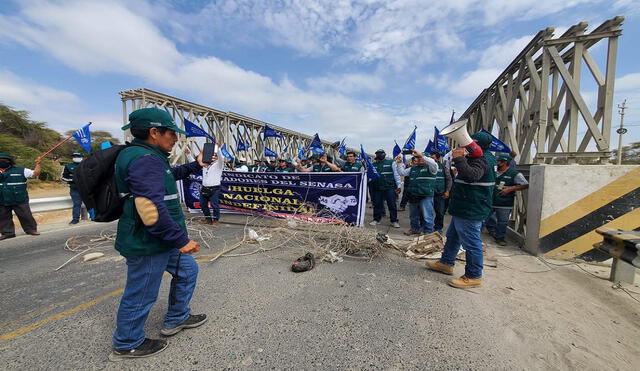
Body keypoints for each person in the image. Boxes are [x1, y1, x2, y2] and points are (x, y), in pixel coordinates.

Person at [110, 108, 207, 361]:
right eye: (172, 132)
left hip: (162, 239)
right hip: (149, 241)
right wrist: (181, 240)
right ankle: (127, 343)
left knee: (188, 271)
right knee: (142, 291)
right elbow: (149, 208)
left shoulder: (149, 156)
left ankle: (177, 317)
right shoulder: (144, 159)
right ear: (155, 132)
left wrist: (194, 166)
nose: (175, 138)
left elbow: (166, 177)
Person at [426, 132, 496, 289]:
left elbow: (472, 175)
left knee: (471, 243)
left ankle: (473, 276)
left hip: (471, 208)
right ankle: (446, 263)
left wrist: (459, 159)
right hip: (463, 207)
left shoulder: (483, 158)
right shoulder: (476, 156)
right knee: (452, 237)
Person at [485, 154, 528, 246]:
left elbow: (525, 185)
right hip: (490, 200)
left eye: (499, 161)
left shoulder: (514, 174)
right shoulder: (493, 171)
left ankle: (500, 238)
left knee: (503, 221)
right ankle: (491, 230)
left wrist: (510, 189)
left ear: (505, 163)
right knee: (484, 218)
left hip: (504, 202)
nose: (497, 163)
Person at [394, 150, 438, 235]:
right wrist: (399, 164)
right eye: (418, 158)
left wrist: (422, 155)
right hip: (414, 195)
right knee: (413, 215)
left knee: (427, 216)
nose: (419, 159)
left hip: (426, 195)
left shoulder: (431, 168)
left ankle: (428, 232)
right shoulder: (413, 168)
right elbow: (401, 172)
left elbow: (433, 163)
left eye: (421, 158)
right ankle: (414, 229)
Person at [0, 153, 41, 240]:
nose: (2, 162)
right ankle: (8, 233)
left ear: (10, 161)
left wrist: (38, 164)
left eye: (5, 160)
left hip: (19, 198)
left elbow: (35, 174)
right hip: (2, 199)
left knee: (26, 215)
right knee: (3, 217)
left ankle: (31, 230)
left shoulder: (21, 170)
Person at [369, 149, 401, 228]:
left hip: (389, 187)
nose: (379, 155)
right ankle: (376, 219)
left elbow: (396, 175)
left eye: (381, 153)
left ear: (384, 154)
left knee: (392, 204)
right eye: (378, 154)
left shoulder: (391, 163)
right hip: (377, 187)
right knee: (377, 204)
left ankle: (394, 221)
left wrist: (399, 185)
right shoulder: (373, 165)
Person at [199, 144, 224, 226]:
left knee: (214, 205)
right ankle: (208, 219)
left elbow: (221, 158)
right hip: (204, 188)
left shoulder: (219, 165)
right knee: (203, 204)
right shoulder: (205, 165)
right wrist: (188, 154)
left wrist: (218, 149)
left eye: (214, 156)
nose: (212, 157)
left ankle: (216, 220)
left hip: (214, 188)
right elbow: (196, 162)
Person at [430, 150, 452, 234]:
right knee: (426, 212)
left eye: (433, 158)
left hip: (440, 194)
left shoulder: (443, 167)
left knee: (440, 212)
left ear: (438, 159)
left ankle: (438, 228)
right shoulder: (427, 166)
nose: (431, 160)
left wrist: (447, 191)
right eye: (430, 158)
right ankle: (426, 227)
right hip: (428, 193)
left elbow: (449, 179)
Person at [61, 152, 84, 224]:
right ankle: (75, 219)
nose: (76, 157)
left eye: (78, 156)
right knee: (77, 204)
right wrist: (72, 180)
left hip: (86, 188)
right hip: (75, 189)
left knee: (90, 203)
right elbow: (63, 177)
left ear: (82, 157)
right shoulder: (68, 166)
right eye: (74, 156)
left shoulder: (86, 165)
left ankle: (94, 217)